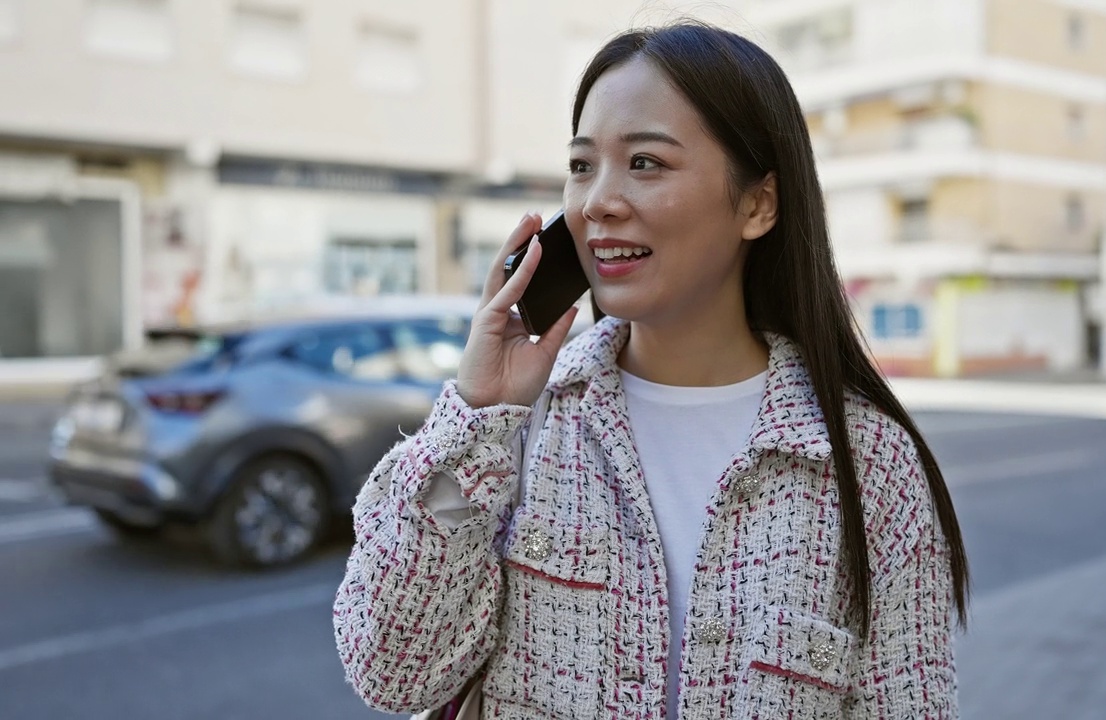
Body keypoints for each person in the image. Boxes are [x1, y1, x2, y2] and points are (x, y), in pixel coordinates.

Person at [334, 21, 969, 719]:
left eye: (645, 163)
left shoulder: (868, 461)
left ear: (758, 204)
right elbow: (390, 673)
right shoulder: (524, 425)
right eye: (582, 166)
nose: (597, 201)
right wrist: (480, 416)